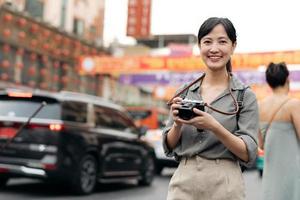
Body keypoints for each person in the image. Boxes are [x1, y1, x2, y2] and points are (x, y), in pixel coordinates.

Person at [162, 17, 259, 200]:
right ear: (200, 46)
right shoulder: (183, 93)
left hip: (225, 182)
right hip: (184, 180)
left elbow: (248, 153)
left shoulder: (244, 96)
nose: (214, 49)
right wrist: (177, 125)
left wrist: (214, 126)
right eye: (207, 42)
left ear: (233, 46)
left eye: (222, 42)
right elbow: (168, 146)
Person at [258, 62, 300, 200]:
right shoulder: (293, 105)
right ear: (287, 80)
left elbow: (261, 144)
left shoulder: (260, 106)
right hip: (293, 172)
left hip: (271, 174)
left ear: (269, 83)